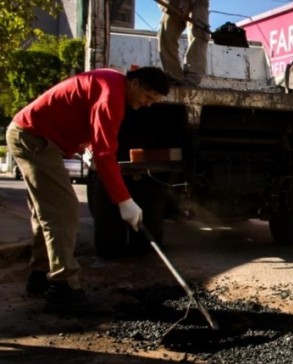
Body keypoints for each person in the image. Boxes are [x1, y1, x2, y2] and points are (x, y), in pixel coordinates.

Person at [6, 67, 170, 314]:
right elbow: (105, 154)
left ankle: (39, 276)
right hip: (34, 139)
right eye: (148, 97)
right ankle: (63, 290)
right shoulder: (111, 97)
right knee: (63, 211)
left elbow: (87, 123)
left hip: (33, 136)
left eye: (153, 101)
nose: (148, 104)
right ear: (135, 83)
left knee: (47, 212)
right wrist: (124, 200)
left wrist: (85, 145)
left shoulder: (111, 83)